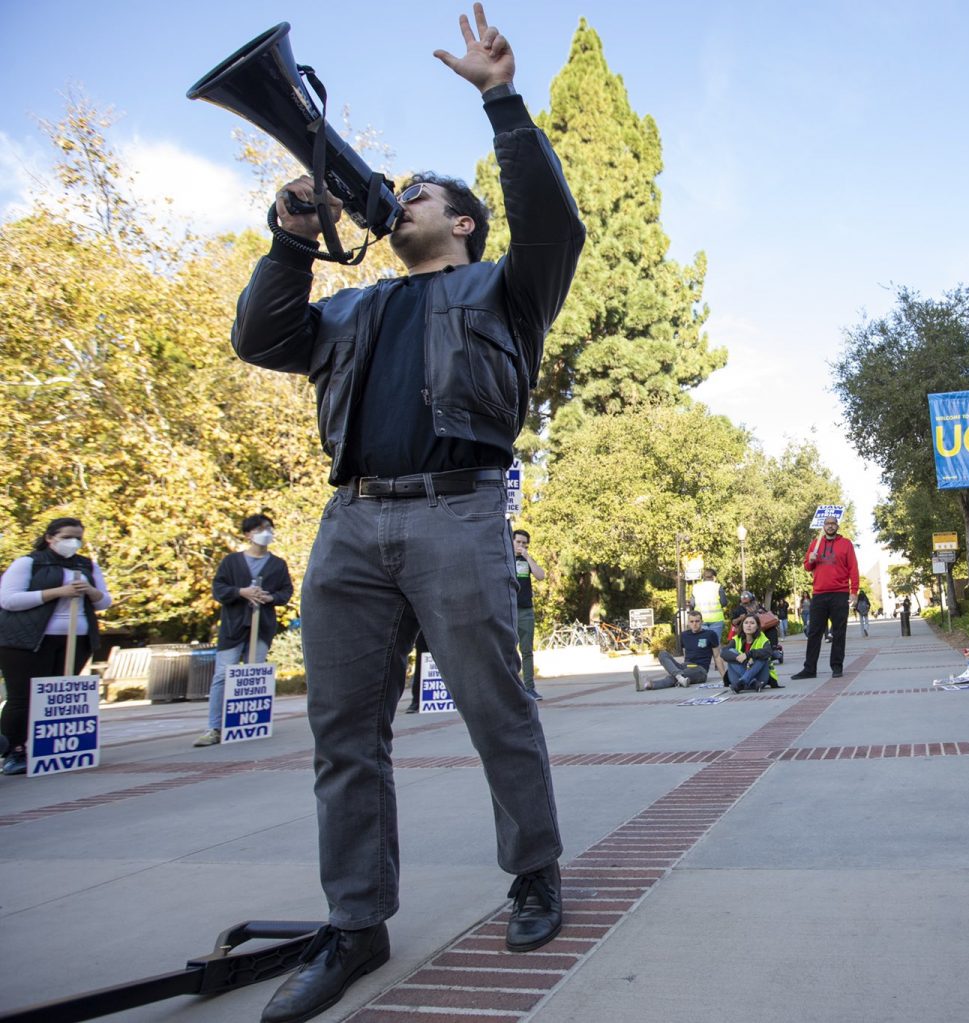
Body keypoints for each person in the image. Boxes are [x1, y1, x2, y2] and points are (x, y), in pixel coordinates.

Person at [231, 9, 585, 1020]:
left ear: (463, 221)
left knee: (493, 708)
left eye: (422, 191)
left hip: (459, 513)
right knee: (343, 734)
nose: (403, 199)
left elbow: (555, 221)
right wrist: (293, 235)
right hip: (350, 525)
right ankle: (355, 925)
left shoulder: (505, 289)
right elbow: (261, 337)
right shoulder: (348, 309)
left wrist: (501, 100)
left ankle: (535, 873)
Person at [0, 518, 112, 777]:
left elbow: (104, 601)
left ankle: (49, 748)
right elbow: (8, 600)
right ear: (50, 537)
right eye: (67, 536)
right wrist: (57, 592)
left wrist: (92, 592)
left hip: (76, 639)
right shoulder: (30, 562)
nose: (74, 542)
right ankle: (14, 750)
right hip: (28, 641)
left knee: (57, 694)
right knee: (23, 697)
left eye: (78, 537)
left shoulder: (86, 565)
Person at [195, 514, 293, 747]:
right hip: (233, 626)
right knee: (222, 674)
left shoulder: (277, 564)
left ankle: (247, 724)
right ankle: (215, 727)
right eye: (260, 529)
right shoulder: (232, 562)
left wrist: (270, 597)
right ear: (248, 534)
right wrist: (241, 592)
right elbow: (219, 589)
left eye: (269, 528)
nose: (266, 532)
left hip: (262, 626)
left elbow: (285, 592)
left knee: (253, 674)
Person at [791, 513, 859, 679]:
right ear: (823, 527)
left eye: (833, 523)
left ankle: (837, 666)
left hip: (840, 593)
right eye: (827, 523)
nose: (830, 526)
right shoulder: (815, 544)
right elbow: (807, 567)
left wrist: (854, 591)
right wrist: (811, 559)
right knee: (814, 632)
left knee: (839, 631)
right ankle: (809, 669)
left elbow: (853, 568)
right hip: (819, 594)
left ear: (837, 526)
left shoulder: (846, 544)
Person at [635, 611, 722, 690]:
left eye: (697, 621)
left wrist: (725, 677)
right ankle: (679, 677)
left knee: (676, 677)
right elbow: (685, 654)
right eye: (692, 622)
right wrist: (682, 669)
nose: (694, 624)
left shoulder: (710, 634)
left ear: (701, 622)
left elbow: (717, 656)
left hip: (700, 670)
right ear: (688, 623)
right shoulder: (684, 635)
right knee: (662, 654)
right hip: (685, 666)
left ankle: (648, 684)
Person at [512, 528, 546, 700]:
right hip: (508, 611)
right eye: (518, 542)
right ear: (511, 541)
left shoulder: (526, 560)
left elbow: (541, 576)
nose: (521, 545)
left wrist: (527, 557)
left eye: (524, 543)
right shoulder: (505, 559)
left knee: (527, 651)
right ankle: (511, 689)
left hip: (525, 610)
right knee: (508, 650)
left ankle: (529, 688)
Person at [722, 612, 776, 692]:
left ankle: (744, 680)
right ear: (742, 625)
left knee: (762, 656)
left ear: (757, 626)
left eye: (752, 623)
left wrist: (748, 655)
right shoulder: (736, 639)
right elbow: (723, 653)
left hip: (760, 677)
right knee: (731, 652)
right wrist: (737, 657)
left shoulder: (762, 638)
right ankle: (751, 682)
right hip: (740, 679)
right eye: (746, 623)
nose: (749, 625)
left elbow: (769, 652)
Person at [690, 568, 727, 644]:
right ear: (714, 577)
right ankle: (716, 656)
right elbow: (724, 602)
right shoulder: (718, 586)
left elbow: (692, 604)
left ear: (703, 577)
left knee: (702, 642)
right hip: (717, 619)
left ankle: (704, 656)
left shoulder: (696, 587)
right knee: (715, 643)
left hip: (700, 619)